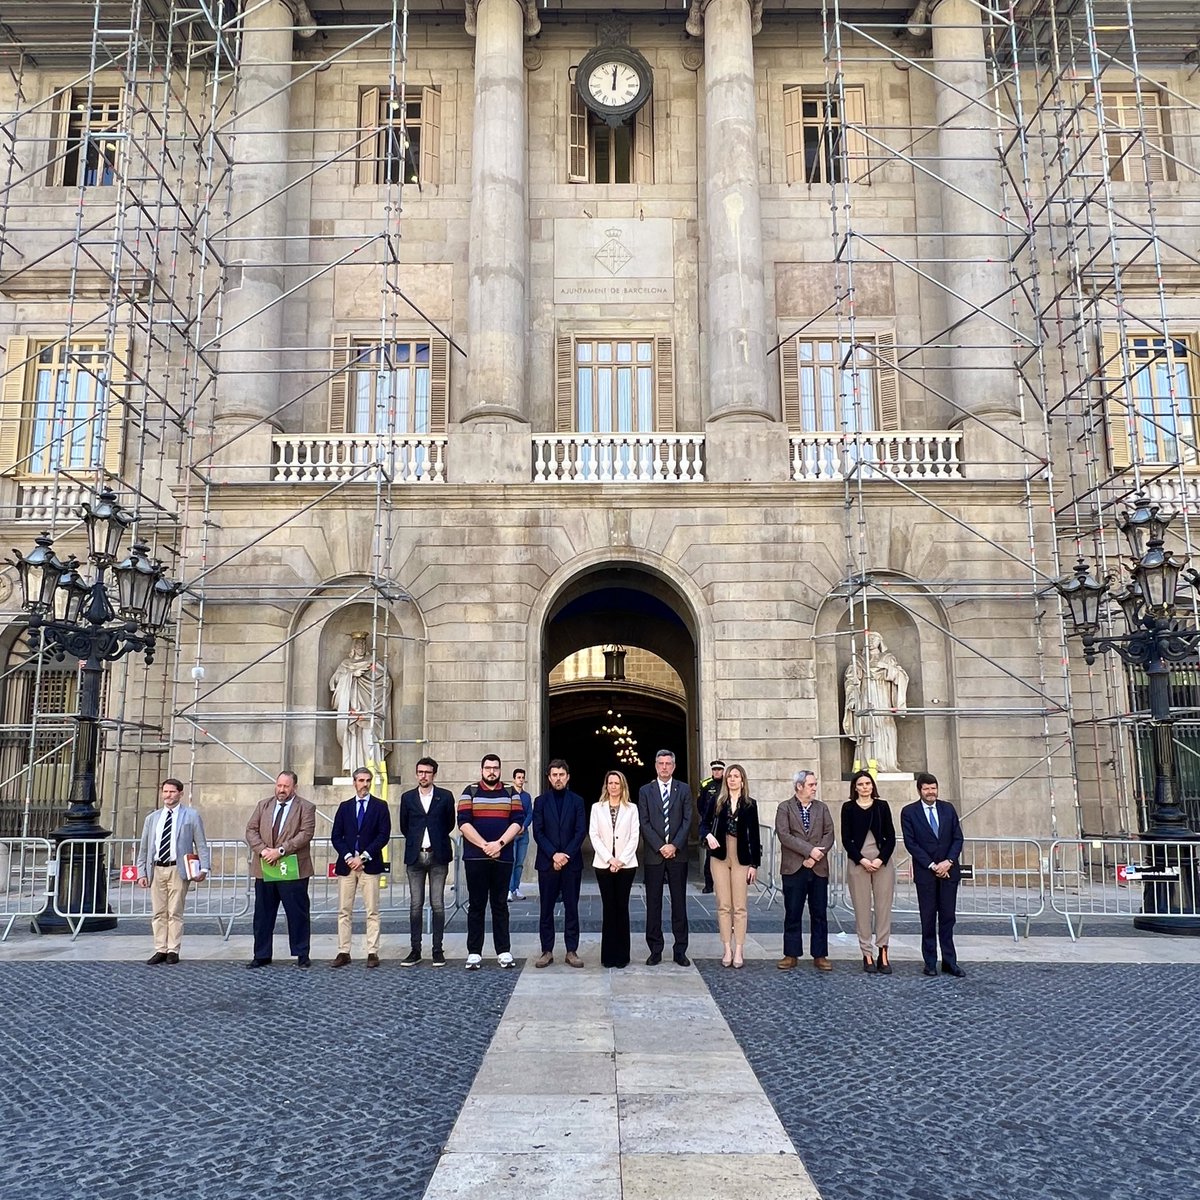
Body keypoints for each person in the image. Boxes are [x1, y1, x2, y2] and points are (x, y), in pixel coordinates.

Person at [458, 753, 524, 970]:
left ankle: (503, 951)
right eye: (488, 768)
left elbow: (518, 822)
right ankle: (474, 953)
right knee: (476, 905)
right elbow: (463, 823)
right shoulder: (470, 792)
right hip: (476, 857)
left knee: (500, 905)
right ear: (482, 770)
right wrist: (485, 845)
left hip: (503, 858)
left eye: (495, 768)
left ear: (500, 770)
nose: (492, 771)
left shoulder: (511, 793)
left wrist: (500, 844)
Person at [245, 771, 316, 969]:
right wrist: (263, 850)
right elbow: (251, 830)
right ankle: (261, 954)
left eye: (285, 786)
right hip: (265, 867)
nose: (281, 790)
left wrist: (281, 850)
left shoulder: (306, 807)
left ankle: (302, 953)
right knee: (263, 914)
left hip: (292, 868)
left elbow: (306, 834)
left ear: (294, 787)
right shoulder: (263, 805)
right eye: (279, 786)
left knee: (297, 913)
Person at [135, 778, 210, 965]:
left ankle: (173, 949)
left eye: (172, 792)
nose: (168, 795)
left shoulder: (191, 816)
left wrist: (204, 868)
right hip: (157, 868)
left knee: (175, 910)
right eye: (165, 791)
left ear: (180, 793)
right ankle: (160, 948)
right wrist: (141, 872)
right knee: (158, 912)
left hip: (178, 868)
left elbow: (200, 843)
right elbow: (144, 846)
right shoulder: (152, 818)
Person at [901, 772, 966, 978]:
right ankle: (930, 962)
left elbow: (957, 837)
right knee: (928, 918)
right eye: (927, 788)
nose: (931, 792)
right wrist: (932, 865)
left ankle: (949, 961)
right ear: (920, 790)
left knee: (948, 918)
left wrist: (948, 862)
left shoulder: (948, 809)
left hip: (949, 872)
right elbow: (911, 843)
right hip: (926, 873)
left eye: (934, 788)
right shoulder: (909, 812)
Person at [330, 767, 391, 969]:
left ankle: (372, 951)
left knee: (372, 910)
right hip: (347, 866)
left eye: (367, 780)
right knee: (344, 910)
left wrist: (363, 857)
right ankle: (343, 951)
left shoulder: (380, 806)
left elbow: (383, 835)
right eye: (360, 780)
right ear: (354, 782)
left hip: (369, 865)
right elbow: (336, 836)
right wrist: (349, 857)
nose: (364, 784)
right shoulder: (345, 807)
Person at [637, 749, 694, 966]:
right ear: (655, 765)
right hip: (654, 855)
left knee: (679, 904)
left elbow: (688, 820)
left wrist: (674, 845)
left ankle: (680, 950)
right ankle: (655, 949)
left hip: (678, 855)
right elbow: (644, 822)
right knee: (653, 904)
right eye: (660, 763)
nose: (664, 767)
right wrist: (661, 846)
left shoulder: (684, 789)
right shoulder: (645, 791)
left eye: (668, 763)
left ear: (674, 766)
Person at [398, 756, 456, 967]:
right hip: (415, 856)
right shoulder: (407, 798)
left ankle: (437, 950)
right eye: (420, 772)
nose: (423, 776)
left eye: (427, 772)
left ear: (434, 774)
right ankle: (415, 949)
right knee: (415, 905)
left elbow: (450, 823)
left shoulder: (446, 797)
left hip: (438, 855)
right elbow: (404, 826)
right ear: (416, 774)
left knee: (438, 904)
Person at [775, 769, 834, 972]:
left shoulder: (822, 808)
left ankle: (820, 954)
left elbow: (829, 833)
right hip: (794, 868)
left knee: (819, 912)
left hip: (818, 868)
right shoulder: (785, 808)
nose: (815, 788)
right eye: (811, 785)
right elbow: (784, 835)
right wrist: (809, 852)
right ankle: (791, 954)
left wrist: (817, 855)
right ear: (799, 786)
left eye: (815, 784)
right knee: (793, 911)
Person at [703, 763, 761, 968]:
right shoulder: (717, 802)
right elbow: (704, 824)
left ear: (743, 780)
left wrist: (755, 864)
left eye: (736, 776)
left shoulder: (750, 804)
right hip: (719, 854)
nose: (733, 779)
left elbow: (755, 835)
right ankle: (726, 948)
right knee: (723, 904)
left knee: (740, 906)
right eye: (730, 776)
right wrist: (708, 835)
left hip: (741, 856)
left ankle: (739, 949)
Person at [841, 769, 897, 975]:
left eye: (868, 784)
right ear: (855, 788)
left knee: (883, 908)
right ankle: (866, 952)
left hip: (882, 861)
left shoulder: (882, 806)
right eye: (861, 784)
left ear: (872, 786)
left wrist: (881, 859)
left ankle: (883, 951)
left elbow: (891, 836)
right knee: (862, 909)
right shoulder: (848, 808)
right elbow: (846, 838)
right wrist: (862, 860)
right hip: (859, 861)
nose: (865, 787)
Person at [532, 758, 587, 968]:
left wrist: (565, 856)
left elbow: (580, 831)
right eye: (554, 775)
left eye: (561, 775)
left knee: (572, 908)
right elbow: (538, 831)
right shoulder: (540, 802)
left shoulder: (577, 801)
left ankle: (571, 950)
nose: (558, 778)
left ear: (568, 777)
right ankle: (547, 951)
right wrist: (554, 854)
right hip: (547, 863)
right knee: (546, 909)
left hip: (571, 863)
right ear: (548, 778)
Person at [589, 769, 640, 969]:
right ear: (606, 786)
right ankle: (608, 956)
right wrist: (610, 859)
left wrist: (621, 860)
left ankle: (622, 956)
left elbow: (634, 836)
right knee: (609, 909)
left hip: (626, 865)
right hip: (603, 864)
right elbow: (594, 835)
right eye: (610, 783)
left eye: (617, 783)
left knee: (622, 908)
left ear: (622, 786)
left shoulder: (632, 808)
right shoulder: (597, 808)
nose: (613, 786)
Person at [842, 630, 909, 773]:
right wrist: (852, 697)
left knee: (885, 726)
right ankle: (867, 764)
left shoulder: (888, 658)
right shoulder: (858, 660)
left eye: (875, 638)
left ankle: (887, 763)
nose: (871, 641)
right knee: (868, 728)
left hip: (883, 695)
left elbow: (900, 676)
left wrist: (887, 669)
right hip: (866, 696)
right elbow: (851, 680)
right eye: (869, 638)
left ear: (880, 641)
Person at [329, 630, 391, 776]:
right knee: (353, 739)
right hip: (351, 708)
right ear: (353, 647)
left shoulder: (373, 661)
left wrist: (371, 673)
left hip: (369, 707)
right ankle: (353, 770)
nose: (361, 647)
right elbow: (334, 681)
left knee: (370, 737)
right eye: (358, 644)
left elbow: (385, 680)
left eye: (363, 644)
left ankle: (373, 770)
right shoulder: (346, 664)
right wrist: (351, 675)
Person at [696, 759, 725, 894]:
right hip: (712, 824)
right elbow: (700, 804)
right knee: (710, 856)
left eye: (719, 769)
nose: (717, 771)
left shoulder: (727, 783)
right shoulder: (706, 784)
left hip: (725, 823)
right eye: (714, 769)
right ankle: (709, 884)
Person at [508, 768, 533, 901]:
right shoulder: (508, 795)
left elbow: (530, 813)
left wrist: (524, 826)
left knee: (519, 863)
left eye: (523, 777)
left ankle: (516, 888)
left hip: (523, 834)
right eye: (518, 777)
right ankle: (509, 889)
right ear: (514, 779)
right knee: (511, 862)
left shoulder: (526, 796)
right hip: (511, 835)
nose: (521, 780)